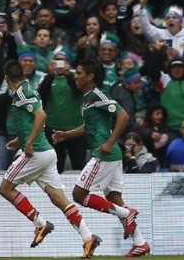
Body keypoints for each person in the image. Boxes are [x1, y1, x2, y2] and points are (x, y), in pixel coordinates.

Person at [0, 60, 101, 258]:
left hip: (35, 152)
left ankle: (40, 223)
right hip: (46, 153)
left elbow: (41, 116)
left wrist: (28, 143)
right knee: (59, 199)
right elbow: (28, 120)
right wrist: (19, 139)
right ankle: (88, 237)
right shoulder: (29, 89)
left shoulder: (22, 92)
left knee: (5, 188)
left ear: (6, 78)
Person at [52, 57, 150, 257]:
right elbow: (90, 127)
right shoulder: (87, 98)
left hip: (104, 154)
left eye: (79, 73)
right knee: (114, 198)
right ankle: (140, 242)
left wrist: (110, 142)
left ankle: (126, 213)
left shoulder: (97, 95)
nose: (76, 77)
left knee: (79, 195)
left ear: (90, 76)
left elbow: (123, 116)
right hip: (111, 155)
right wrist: (66, 134)